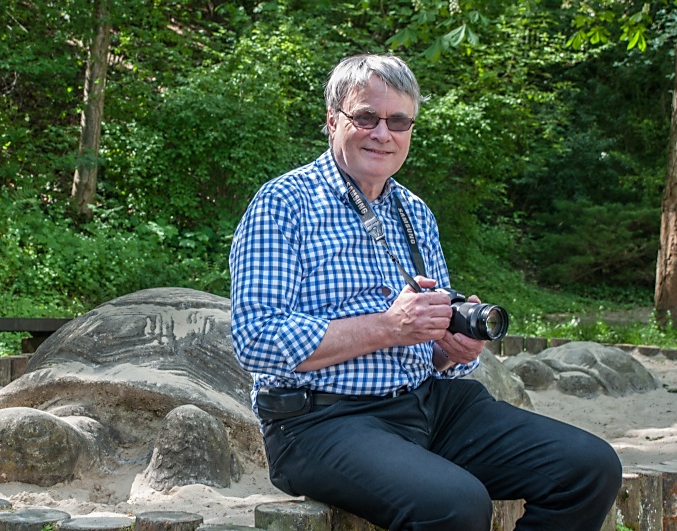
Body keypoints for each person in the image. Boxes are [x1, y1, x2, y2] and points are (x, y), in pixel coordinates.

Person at [229, 53, 621, 531]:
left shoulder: (414, 212)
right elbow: (256, 339)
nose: (382, 133)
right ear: (333, 121)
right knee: (454, 504)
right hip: (317, 422)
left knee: (588, 467)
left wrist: (452, 347)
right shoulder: (283, 204)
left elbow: (430, 346)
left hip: (426, 401)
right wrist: (389, 327)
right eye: (366, 117)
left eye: (398, 121)